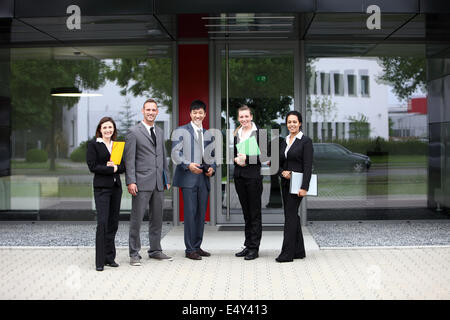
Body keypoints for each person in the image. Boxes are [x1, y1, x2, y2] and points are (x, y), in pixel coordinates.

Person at [124, 98, 171, 266]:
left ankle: (155, 250)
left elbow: (162, 156)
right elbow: (129, 160)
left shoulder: (159, 131)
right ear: (143, 111)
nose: (151, 112)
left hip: (158, 182)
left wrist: (166, 177)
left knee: (157, 218)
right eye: (148, 110)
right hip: (141, 182)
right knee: (136, 219)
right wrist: (131, 181)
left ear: (157, 112)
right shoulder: (133, 132)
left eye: (154, 110)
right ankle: (134, 253)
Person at [172, 100, 216, 260]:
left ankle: (197, 246)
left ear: (205, 114)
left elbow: (212, 157)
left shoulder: (208, 134)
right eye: (195, 112)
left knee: (201, 215)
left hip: (203, 180)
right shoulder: (181, 131)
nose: (198, 115)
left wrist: (213, 168)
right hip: (188, 179)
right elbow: (176, 154)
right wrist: (188, 165)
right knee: (190, 214)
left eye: (200, 113)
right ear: (190, 114)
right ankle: (190, 249)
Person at [86, 117, 125, 271]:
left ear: (114, 129)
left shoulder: (117, 146)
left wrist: (116, 168)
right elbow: (92, 166)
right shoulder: (94, 145)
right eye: (105, 127)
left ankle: (110, 258)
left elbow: (124, 166)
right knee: (102, 223)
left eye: (110, 127)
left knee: (113, 224)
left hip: (116, 188)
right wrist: (111, 168)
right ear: (100, 129)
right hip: (102, 189)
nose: (108, 130)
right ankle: (99, 261)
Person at [277, 110, 313, 263]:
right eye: (289, 122)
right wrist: (281, 172)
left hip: (297, 185)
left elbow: (308, 165)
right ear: (287, 124)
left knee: (290, 218)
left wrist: (305, 187)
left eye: (294, 122)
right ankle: (299, 251)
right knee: (292, 216)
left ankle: (287, 254)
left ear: (300, 123)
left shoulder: (305, 141)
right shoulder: (284, 141)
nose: (292, 124)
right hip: (285, 184)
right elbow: (279, 164)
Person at [233, 105, 263, 260]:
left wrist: (247, 159)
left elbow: (264, 158)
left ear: (251, 116)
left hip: (253, 178)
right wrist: (236, 159)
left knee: (254, 213)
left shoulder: (260, 134)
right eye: (241, 117)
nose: (244, 119)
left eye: (246, 116)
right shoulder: (237, 133)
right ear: (239, 118)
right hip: (239, 176)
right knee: (246, 213)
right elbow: (233, 154)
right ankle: (248, 244)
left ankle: (254, 248)